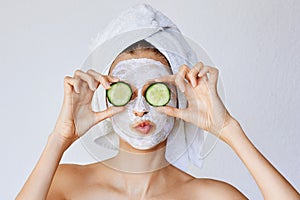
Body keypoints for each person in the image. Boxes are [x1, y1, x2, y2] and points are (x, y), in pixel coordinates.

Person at [16, 5, 299, 200]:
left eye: (156, 91)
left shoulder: (210, 196)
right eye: (125, 91)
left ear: (179, 95)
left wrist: (228, 129)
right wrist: (59, 139)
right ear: (106, 95)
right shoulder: (64, 183)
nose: (140, 108)